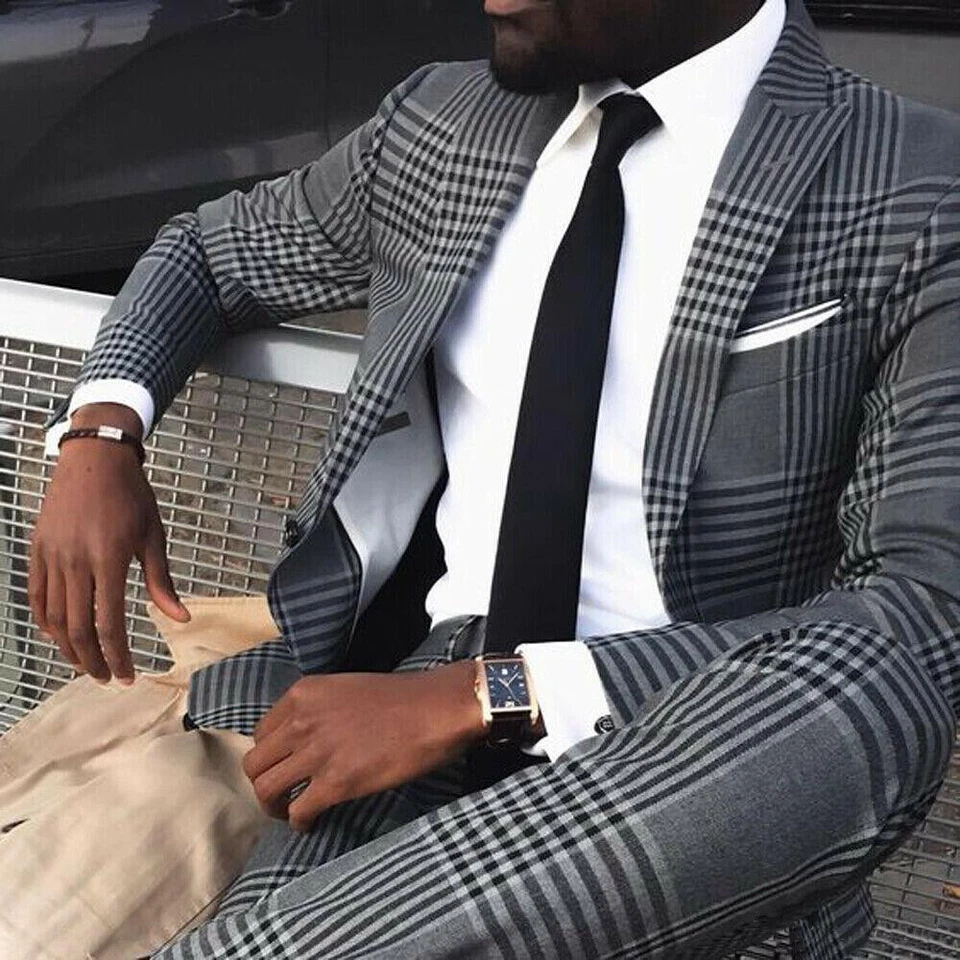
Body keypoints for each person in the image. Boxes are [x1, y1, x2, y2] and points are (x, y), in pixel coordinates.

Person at [28, 0, 960, 956]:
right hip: (405, 718)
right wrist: (100, 433)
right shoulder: (446, 124)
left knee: (868, 689)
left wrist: (494, 693)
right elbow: (214, 252)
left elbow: (927, 618)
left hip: (698, 742)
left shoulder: (918, 183)